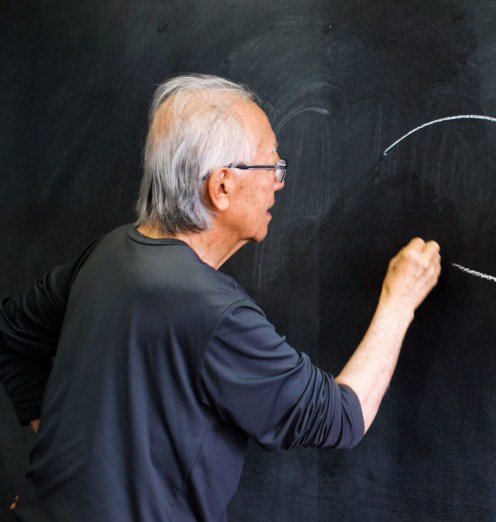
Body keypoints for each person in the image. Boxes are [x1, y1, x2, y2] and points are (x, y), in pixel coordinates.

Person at [0, 74, 441, 521]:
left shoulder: (107, 253)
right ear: (222, 186)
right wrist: (399, 300)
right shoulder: (215, 313)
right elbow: (342, 418)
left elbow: (11, 333)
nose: (280, 182)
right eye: (273, 166)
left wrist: (55, 468)